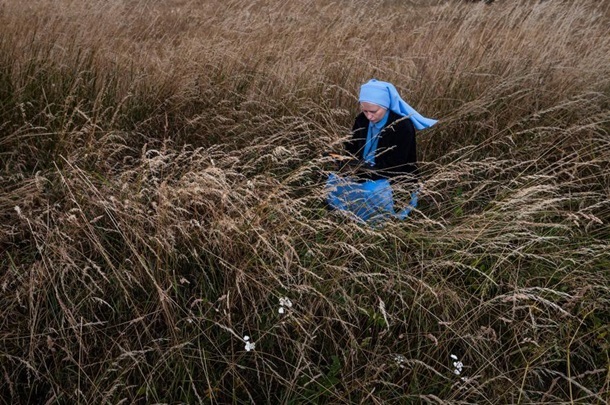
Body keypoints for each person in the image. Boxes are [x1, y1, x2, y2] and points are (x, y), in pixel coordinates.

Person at [326, 79, 437, 222]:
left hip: (388, 177)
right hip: (361, 169)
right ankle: (345, 217)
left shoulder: (402, 126)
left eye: (373, 111)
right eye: (365, 111)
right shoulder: (362, 119)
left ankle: (377, 225)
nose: (369, 116)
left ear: (385, 106)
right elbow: (352, 146)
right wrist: (345, 161)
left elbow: (397, 164)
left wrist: (366, 170)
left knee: (370, 191)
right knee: (334, 182)